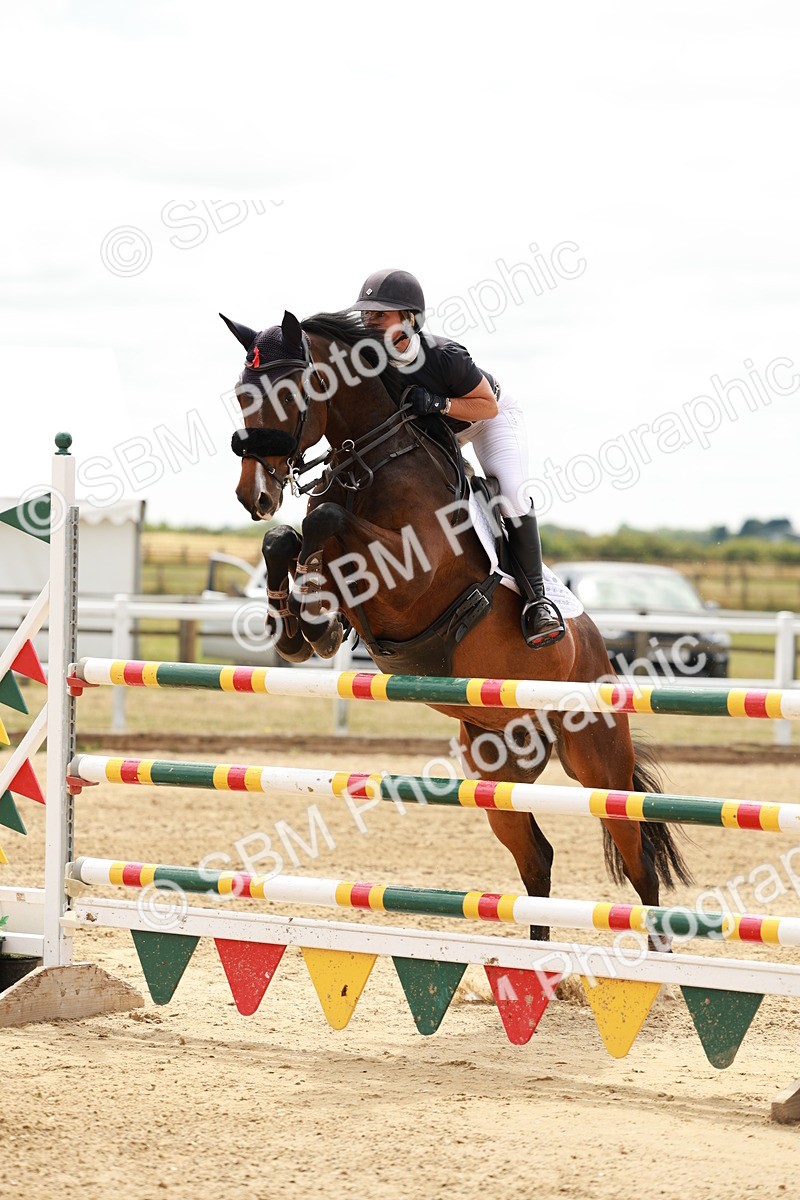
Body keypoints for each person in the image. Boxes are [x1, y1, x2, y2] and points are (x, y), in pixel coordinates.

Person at [352, 268, 565, 648]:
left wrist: (440, 403)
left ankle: (537, 601)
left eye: (379, 314)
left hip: (486, 419)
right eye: (366, 314)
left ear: (408, 318)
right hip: (442, 433)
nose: (369, 321)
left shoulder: (444, 355)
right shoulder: (370, 363)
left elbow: (487, 406)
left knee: (512, 494)